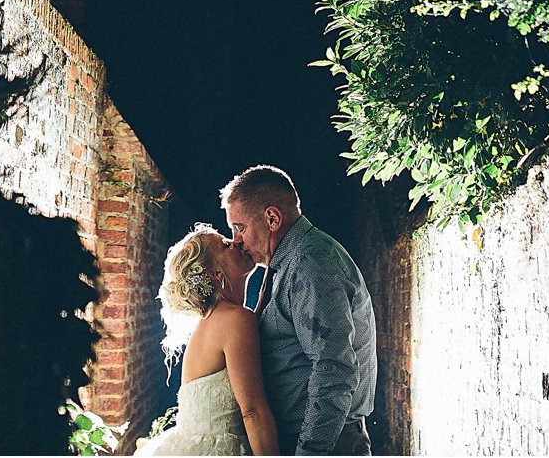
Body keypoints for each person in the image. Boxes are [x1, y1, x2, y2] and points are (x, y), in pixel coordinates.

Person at [221, 166, 376, 456]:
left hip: (327, 444)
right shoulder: (288, 262)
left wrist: (309, 452)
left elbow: (334, 369)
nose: (236, 240)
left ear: (272, 218)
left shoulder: (311, 263)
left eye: (239, 227)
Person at [139, 224, 281, 456]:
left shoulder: (214, 320)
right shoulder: (234, 319)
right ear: (214, 274)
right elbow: (252, 411)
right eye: (225, 245)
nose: (235, 242)